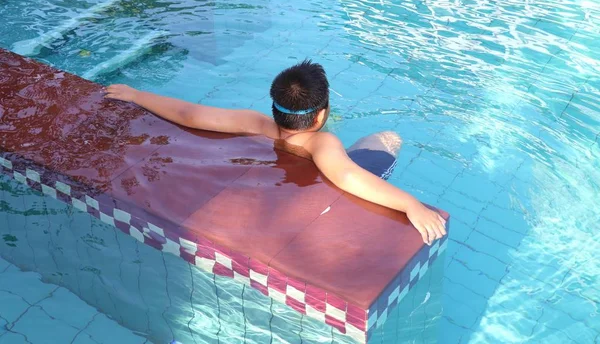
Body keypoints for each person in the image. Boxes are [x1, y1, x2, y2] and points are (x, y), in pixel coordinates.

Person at [103, 60, 446, 245]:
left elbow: (190, 115)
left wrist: (137, 95)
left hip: (278, 161)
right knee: (389, 138)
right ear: (322, 115)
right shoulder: (322, 143)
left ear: (274, 105)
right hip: (328, 180)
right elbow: (347, 175)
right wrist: (410, 204)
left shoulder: (255, 122)